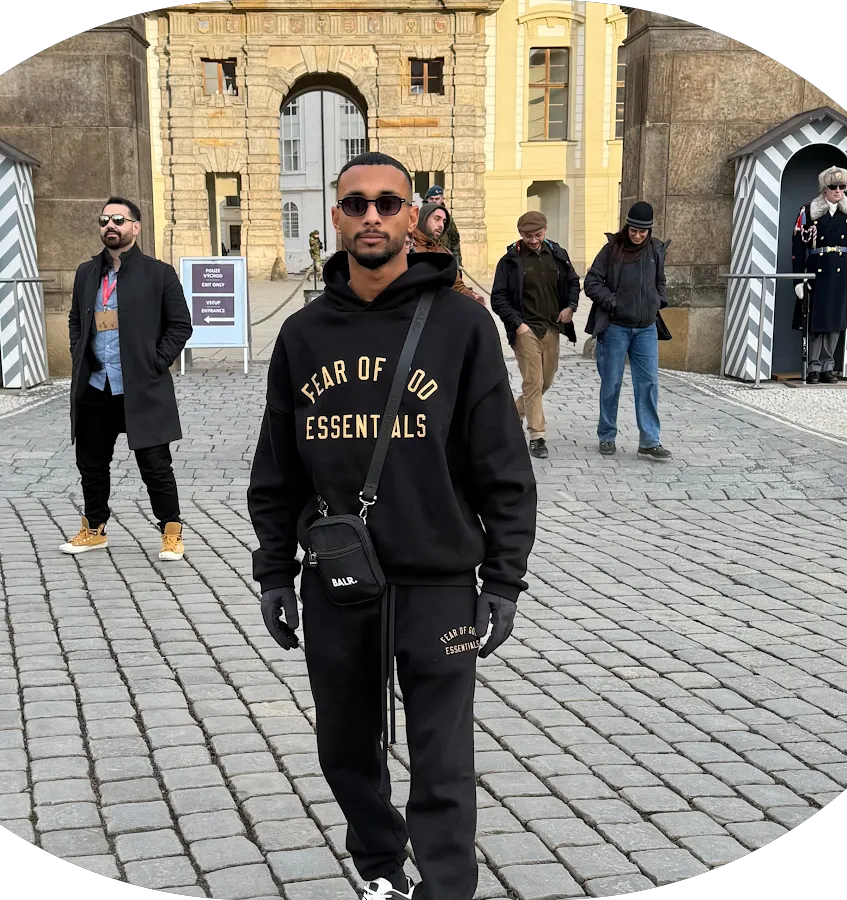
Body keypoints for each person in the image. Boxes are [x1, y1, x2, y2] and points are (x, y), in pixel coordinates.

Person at [247, 151, 537, 900]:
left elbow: (502, 465)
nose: (371, 215)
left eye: (387, 202)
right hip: (338, 581)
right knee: (344, 749)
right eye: (356, 204)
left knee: (442, 759)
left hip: (438, 581)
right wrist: (274, 572)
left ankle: (446, 889)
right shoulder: (303, 334)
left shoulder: (462, 326)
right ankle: (381, 869)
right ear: (336, 218)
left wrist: (504, 579)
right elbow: (277, 468)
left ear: (413, 216)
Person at [60, 197, 193, 562]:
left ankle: (171, 533)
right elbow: (76, 319)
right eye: (104, 220)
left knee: (155, 465)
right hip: (96, 383)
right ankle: (94, 528)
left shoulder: (158, 273)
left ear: (136, 227)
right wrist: (77, 352)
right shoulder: (87, 273)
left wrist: (156, 361)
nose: (110, 226)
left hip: (140, 385)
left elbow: (181, 325)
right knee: (91, 464)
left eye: (119, 220)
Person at [583, 201, 672, 460]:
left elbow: (661, 281)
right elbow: (591, 282)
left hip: (646, 328)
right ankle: (607, 435)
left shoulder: (656, 249)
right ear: (627, 227)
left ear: (649, 230)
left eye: (642, 231)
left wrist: (658, 301)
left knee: (648, 383)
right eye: (633, 230)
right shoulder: (612, 249)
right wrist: (614, 303)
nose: (637, 235)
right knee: (611, 382)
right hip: (615, 327)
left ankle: (650, 441)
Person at [488, 211, 579, 459]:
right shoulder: (510, 261)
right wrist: (518, 324)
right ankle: (537, 436)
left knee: (545, 381)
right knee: (533, 382)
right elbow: (498, 298)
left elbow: (573, 282)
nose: (534, 240)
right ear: (521, 234)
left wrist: (571, 307)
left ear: (545, 229)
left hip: (552, 327)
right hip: (525, 329)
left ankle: (514, 412)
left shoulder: (558, 254)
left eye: (538, 235)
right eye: (528, 236)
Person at [791, 165, 847, 384]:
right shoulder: (808, 211)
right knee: (816, 320)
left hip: (841, 271)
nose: (838, 190)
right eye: (833, 186)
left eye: (842, 186)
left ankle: (828, 366)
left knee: (835, 321)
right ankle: (813, 367)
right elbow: (798, 247)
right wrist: (798, 280)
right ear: (825, 188)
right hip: (817, 270)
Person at [409, 204, 484, 304]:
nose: (441, 225)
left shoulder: (444, 253)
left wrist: (472, 297)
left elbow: (456, 286)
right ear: (423, 219)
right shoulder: (407, 247)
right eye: (437, 219)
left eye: (444, 221)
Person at [421, 185, 461, 265]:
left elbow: (455, 241)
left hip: (444, 257)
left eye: (437, 199)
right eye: (431, 199)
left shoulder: (448, 219)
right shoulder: (421, 217)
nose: (434, 202)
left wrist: (457, 263)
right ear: (427, 200)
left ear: (442, 199)